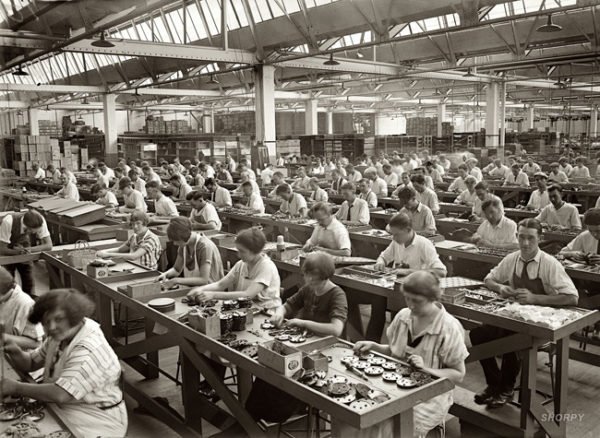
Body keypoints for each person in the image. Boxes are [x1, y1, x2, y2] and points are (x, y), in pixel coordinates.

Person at [472, 219, 578, 408]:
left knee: (514, 340)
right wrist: (500, 287)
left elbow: (572, 297)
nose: (525, 243)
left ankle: (506, 389)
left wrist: (535, 298)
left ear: (540, 238)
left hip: (541, 325)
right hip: (515, 317)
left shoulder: (549, 263)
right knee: (478, 335)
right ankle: (494, 384)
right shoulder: (512, 258)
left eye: (531, 238)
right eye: (521, 237)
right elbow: (489, 279)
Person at [351, 271, 468, 437]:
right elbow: (394, 351)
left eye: (417, 301)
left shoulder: (449, 328)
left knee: (391, 430)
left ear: (433, 298)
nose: (411, 305)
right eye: (407, 299)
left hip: (429, 397)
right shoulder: (403, 316)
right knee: (364, 415)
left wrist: (426, 369)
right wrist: (374, 346)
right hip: (396, 387)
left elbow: (458, 374)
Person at [0, 289, 128, 437]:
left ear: (74, 316)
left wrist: (16, 387)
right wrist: (16, 351)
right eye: (46, 322)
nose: (51, 327)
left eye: (58, 319)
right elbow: (31, 363)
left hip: (98, 418)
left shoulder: (88, 349)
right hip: (69, 406)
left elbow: (61, 394)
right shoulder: (61, 336)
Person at [188, 228, 281, 310]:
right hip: (247, 309)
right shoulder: (241, 264)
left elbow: (248, 295)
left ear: (255, 251)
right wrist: (201, 289)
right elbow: (220, 285)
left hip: (267, 313)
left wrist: (213, 295)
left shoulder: (266, 267)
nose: (238, 255)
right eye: (238, 250)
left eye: (242, 251)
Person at [155, 217, 223, 286]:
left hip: (210, 288)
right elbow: (176, 270)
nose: (175, 243)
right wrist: (165, 275)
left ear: (184, 236)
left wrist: (176, 280)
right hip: (195, 288)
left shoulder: (204, 247)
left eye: (176, 240)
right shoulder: (184, 245)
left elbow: (203, 280)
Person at [374, 213, 447, 277]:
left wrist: (409, 272)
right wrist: (380, 262)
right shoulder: (396, 242)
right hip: (397, 283)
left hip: (417, 285)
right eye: (393, 234)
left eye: (397, 234)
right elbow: (383, 257)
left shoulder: (424, 244)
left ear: (407, 230)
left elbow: (441, 272)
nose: (394, 238)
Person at [0, 210, 53, 296]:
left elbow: (48, 245)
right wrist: (17, 252)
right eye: (32, 231)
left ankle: (30, 301)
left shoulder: (40, 221)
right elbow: (1, 249)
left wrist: (29, 250)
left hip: (24, 246)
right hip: (6, 248)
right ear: (26, 227)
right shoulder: (8, 221)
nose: (34, 233)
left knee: (29, 281)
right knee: (8, 283)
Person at [97, 211, 162, 270]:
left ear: (145, 223)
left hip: (147, 271)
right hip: (133, 267)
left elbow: (134, 256)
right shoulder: (134, 236)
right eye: (133, 224)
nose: (135, 227)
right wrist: (103, 252)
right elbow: (120, 249)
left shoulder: (150, 238)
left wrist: (107, 254)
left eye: (138, 223)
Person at [0, 267, 43, 349]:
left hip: (14, 353)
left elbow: (35, 343)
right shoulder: (3, 297)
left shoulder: (26, 304)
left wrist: (3, 337)